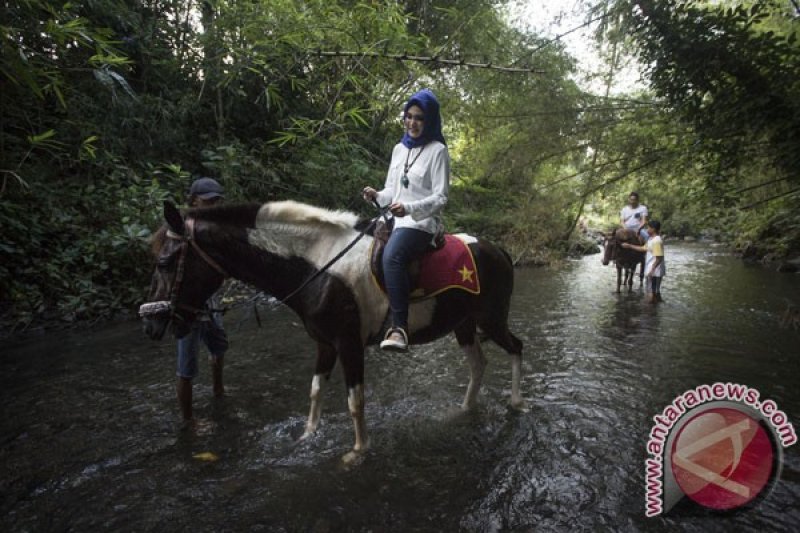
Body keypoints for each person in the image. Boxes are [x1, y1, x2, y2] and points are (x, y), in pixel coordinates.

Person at [362, 88, 450, 352]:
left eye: (420, 118)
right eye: (409, 116)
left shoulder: (438, 151)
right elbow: (392, 190)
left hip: (421, 224)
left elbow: (441, 197)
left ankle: (399, 328)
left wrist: (409, 208)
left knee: (392, 256)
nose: (413, 122)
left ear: (430, 120)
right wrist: (378, 195)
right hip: (392, 218)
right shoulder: (399, 149)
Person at [176, 177, 229, 421]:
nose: (212, 203)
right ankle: (188, 421)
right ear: (194, 199)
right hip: (187, 306)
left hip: (212, 301)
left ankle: (219, 392)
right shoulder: (181, 228)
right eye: (208, 199)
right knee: (186, 368)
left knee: (218, 349)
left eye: (215, 199)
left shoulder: (214, 227)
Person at [622, 220, 665, 303]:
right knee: (655, 292)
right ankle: (656, 311)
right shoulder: (651, 239)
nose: (647, 230)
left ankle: (650, 313)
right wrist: (629, 246)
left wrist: (652, 270)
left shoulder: (656, 241)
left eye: (648, 228)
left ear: (653, 229)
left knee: (651, 293)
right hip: (653, 271)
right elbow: (642, 248)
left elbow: (659, 258)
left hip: (655, 272)